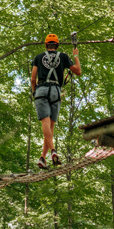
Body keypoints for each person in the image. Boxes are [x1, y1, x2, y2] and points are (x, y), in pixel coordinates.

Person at [31, 34, 81, 169]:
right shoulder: (64, 57)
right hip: (56, 91)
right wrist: (75, 55)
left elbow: (33, 79)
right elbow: (78, 71)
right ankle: (42, 158)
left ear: (46, 45)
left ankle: (53, 151)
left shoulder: (38, 57)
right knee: (50, 127)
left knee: (45, 125)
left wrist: (34, 92)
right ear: (57, 45)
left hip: (41, 90)